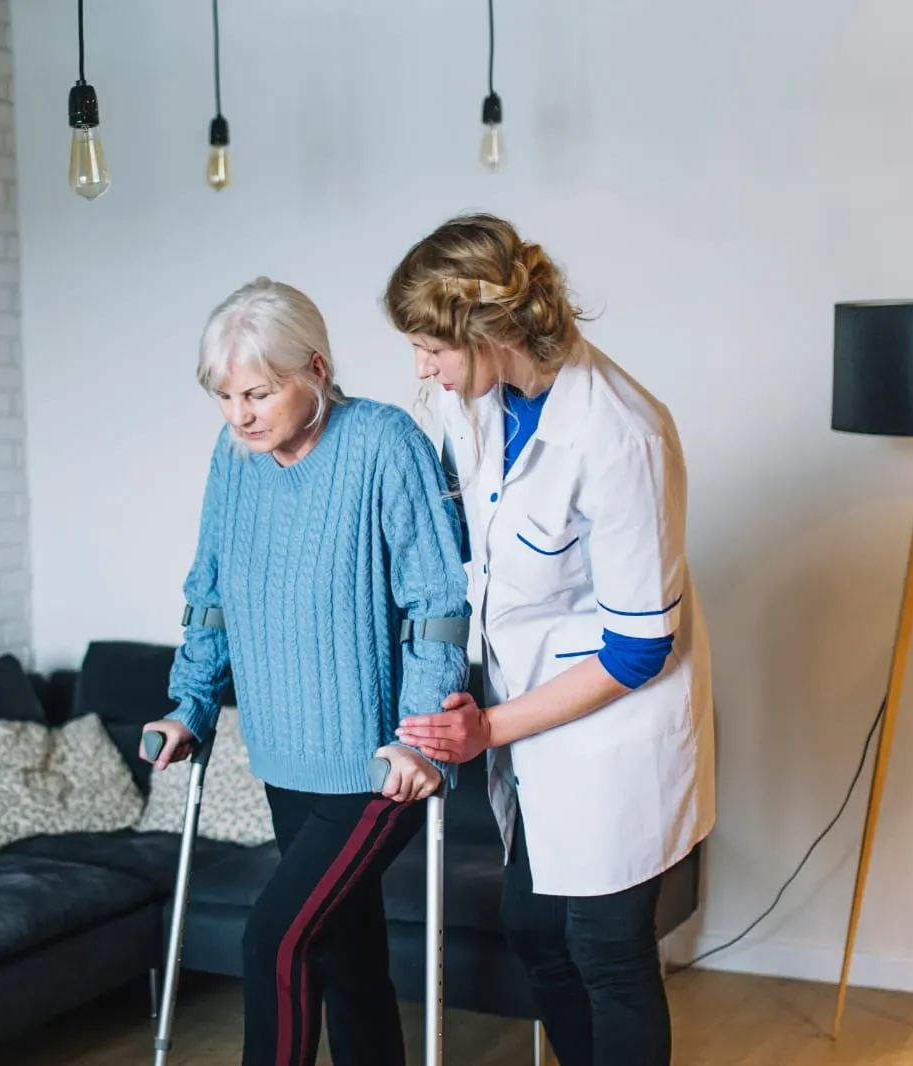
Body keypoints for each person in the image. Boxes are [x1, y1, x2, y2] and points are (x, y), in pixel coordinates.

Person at [381, 213, 716, 1066]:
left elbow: (640, 647)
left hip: (614, 727)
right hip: (535, 725)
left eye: (430, 346)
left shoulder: (620, 432)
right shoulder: (481, 404)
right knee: (533, 928)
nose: (421, 367)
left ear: (487, 330)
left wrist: (488, 728)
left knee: (607, 949)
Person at [140, 277, 471, 1066]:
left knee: (274, 941)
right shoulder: (234, 458)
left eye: (257, 391)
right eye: (225, 396)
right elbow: (211, 594)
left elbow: (438, 601)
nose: (240, 414)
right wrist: (189, 702)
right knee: (343, 954)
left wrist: (421, 740)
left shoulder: (384, 443)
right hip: (284, 755)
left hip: (378, 766)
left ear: (315, 369)